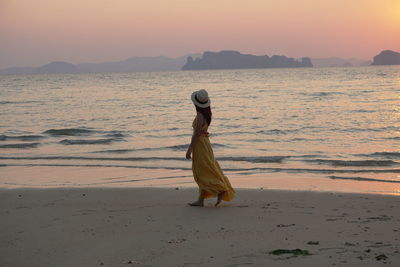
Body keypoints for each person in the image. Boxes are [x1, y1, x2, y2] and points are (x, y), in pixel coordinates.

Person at [185, 89, 235, 207]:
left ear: (195, 103)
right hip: (205, 143)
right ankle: (201, 200)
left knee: (202, 170)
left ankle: (221, 188)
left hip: (201, 145)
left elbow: (196, 134)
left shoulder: (200, 116)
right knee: (207, 167)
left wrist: (189, 149)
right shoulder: (207, 114)